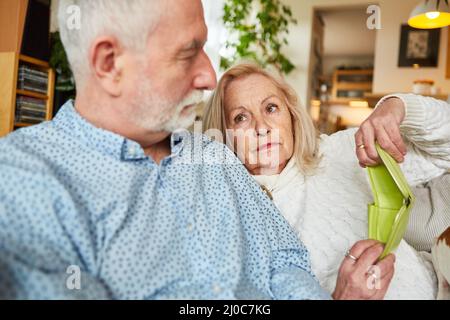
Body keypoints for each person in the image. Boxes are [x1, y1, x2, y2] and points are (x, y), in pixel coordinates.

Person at [0, 0, 384, 300]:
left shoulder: (213, 155)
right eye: (188, 53)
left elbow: (284, 261)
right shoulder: (23, 181)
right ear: (110, 63)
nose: (209, 76)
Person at [203, 63, 450, 299]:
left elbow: (443, 153)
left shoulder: (339, 151)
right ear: (225, 139)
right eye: (240, 118)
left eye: (270, 108)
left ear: (291, 114)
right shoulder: (228, 227)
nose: (262, 127)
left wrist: (397, 106)